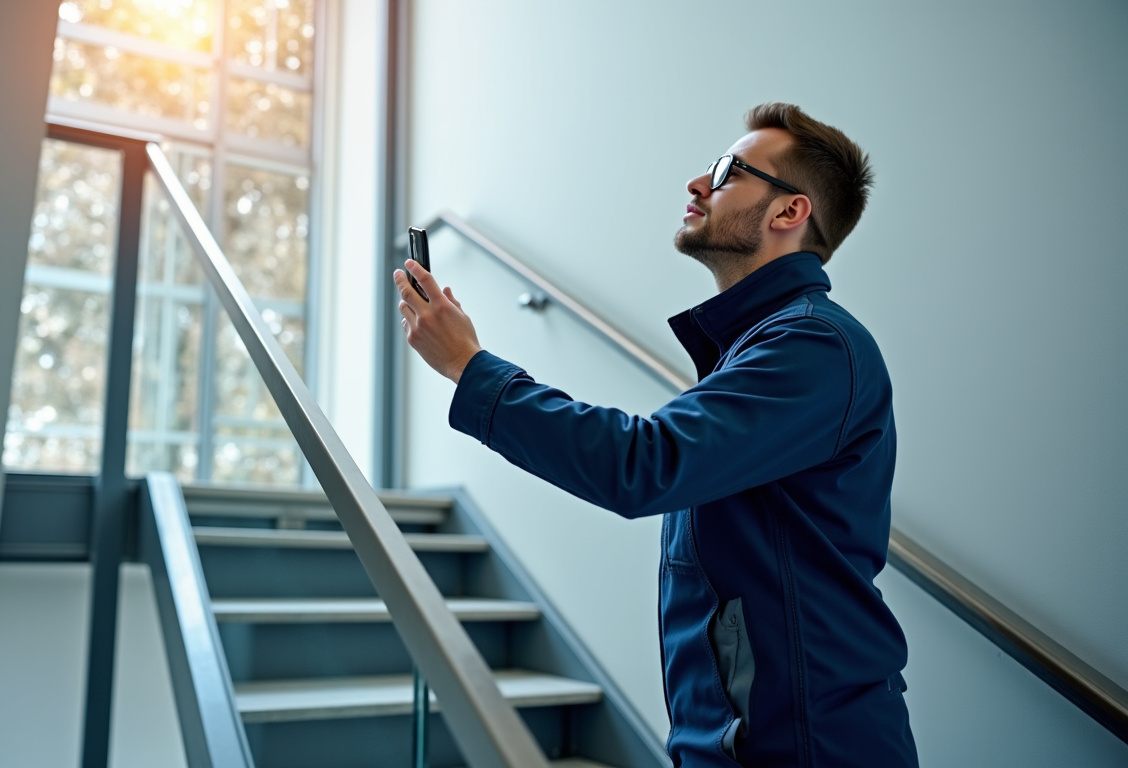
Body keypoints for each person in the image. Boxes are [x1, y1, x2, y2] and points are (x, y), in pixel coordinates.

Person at [392, 102, 917, 768]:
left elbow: (643, 464)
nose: (697, 185)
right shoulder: (757, 350)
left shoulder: (814, 344)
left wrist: (469, 367)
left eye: (726, 172)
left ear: (790, 213)